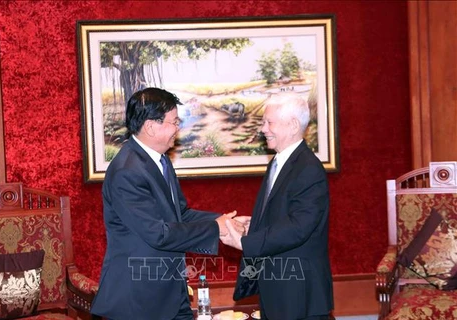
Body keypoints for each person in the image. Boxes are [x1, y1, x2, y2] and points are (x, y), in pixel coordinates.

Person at [91, 87, 243, 320]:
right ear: (151, 126)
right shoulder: (127, 171)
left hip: (170, 291)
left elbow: (179, 215)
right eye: (174, 122)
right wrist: (216, 228)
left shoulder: (159, 161)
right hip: (139, 299)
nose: (177, 128)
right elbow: (157, 233)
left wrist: (222, 220)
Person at [221, 92, 334, 320]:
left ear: (293, 125)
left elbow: (299, 227)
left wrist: (245, 242)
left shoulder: (308, 169)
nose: (263, 129)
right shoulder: (280, 162)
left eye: (269, 122)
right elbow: (283, 215)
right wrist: (253, 225)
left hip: (299, 295)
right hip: (279, 289)